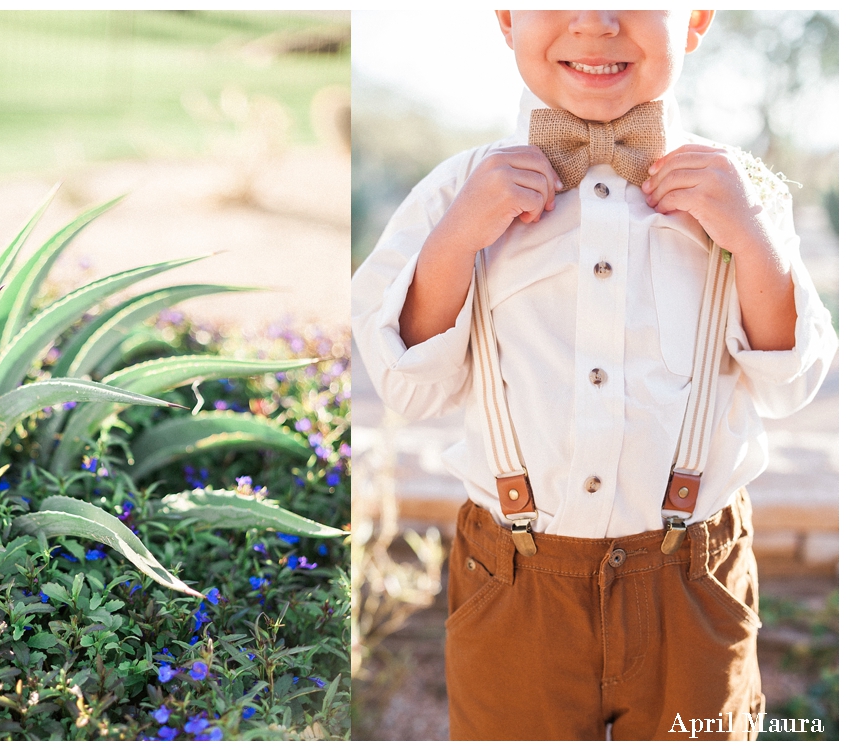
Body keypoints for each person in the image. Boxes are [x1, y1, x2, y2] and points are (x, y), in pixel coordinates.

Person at [351, 10, 838, 741]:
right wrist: (457, 239)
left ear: (697, 20)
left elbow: (787, 382)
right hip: (514, 578)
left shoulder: (741, 192)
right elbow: (408, 384)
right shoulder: (455, 189)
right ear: (508, 19)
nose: (594, 23)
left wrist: (747, 237)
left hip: (691, 574)